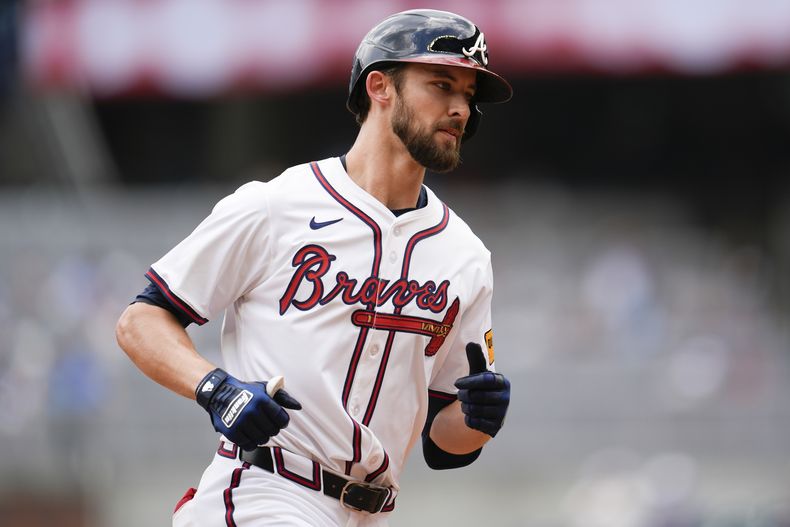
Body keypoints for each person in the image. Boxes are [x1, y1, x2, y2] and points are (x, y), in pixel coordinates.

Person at [116, 8, 512, 527]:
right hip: (268, 490)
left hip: (374, 510)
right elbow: (142, 320)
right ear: (379, 87)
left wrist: (480, 421)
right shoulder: (276, 206)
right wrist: (216, 388)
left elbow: (445, 443)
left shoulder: (465, 255)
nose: (460, 108)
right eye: (442, 84)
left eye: (468, 95)